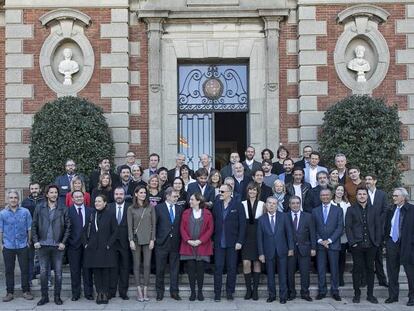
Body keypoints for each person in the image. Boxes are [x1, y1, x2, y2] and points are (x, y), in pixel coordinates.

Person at [32, 185, 71, 306]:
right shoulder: (39, 207)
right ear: (47, 194)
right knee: (43, 272)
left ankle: (57, 297)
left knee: (58, 273)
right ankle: (44, 297)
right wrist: (35, 241)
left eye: (56, 192)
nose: (54, 194)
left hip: (57, 246)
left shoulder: (63, 208)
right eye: (51, 192)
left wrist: (63, 243)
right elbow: (34, 226)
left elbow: (68, 227)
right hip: (42, 245)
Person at [345, 187, 382, 304]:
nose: (362, 196)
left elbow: (378, 227)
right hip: (357, 245)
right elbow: (348, 227)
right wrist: (353, 243)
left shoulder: (374, 209)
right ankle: (357, 294)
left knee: (370, 270)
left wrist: (376, 243)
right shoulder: (351, 209)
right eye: (359, 194)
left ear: (367, 196)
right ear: (356, 196)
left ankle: (370, 295)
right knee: (357, 270)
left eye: (364, 194)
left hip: (371, 245)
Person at [212, 183, 246, 301]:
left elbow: (243, 225)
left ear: (229, 193)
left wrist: (240, 241)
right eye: (219, 191)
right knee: (218, 268)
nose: (220, 194)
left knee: (232, 268)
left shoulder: (238, 205)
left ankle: (229, 292)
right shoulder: (216, 205)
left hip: (233, 243)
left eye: (222, 192)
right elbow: (213, 223)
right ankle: (217, 293)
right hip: (219, 242)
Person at [257, 196, 294, 304]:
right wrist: (261, 253)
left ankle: (283, 296)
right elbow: (259, 238)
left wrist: (291, 248)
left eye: (274, 203)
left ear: (277, 205)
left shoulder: (284, 217)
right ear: (266, 205)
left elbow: (289, 234)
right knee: (270, 275)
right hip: (268, 252)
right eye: (269, 203)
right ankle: (272, 295)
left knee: (283, 274)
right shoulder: (261, 219)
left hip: (282, 250)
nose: (271, 205)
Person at [83, 194, 118, 304]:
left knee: (106, 272)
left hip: (106, 248)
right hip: (93, 249)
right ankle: (99, 293)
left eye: (99, 201)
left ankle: (105, 294)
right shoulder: (91, 214)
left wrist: (109, 244)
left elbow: (115, 232)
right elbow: (84, 231)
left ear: (105, 203)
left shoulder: (110, 215)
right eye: (96, 201)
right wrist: (85, 244)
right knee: (97, 273)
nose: (97, 203)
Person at [0, 190, 33, 302]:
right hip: (8, 246)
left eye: (15, 197)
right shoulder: (2, 214)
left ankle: (26, 291)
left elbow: (29, 228)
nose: (13, 200)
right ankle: (9, 293)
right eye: (11, 198)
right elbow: (1, 230)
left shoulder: (25, 212)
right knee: (9, 270)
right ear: (7, 199)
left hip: (23, 245)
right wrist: (1, 244)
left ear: (18, 199)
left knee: (25, 269)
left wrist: (29, 241)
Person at [180, 193, 214, 301]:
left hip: (202, 246)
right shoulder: (185, 213)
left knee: (200, 270)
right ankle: (193, 292)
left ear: (198, 201)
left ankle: (200, 292)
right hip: (188, 245)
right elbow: (182, 228)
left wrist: (200, 240)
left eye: (192, 199)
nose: (190, 201)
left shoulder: (208, 213)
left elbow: (210, 229)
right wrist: (188, 240)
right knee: (191, 270)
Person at [312, 188, 343, 301]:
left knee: (334, 269)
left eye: (327, 195)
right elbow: (313, 228)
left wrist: (329, 240)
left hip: (333, 244)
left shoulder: (338, 210)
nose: (325, 197)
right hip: (320, 245)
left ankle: (335, 291)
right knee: (321, 269)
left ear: (331, 196)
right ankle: (322, 291)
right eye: (323, 195)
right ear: (320, 197)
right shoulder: (315, 211)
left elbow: (340, 227)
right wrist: (320, 240)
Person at [384, 187, 414, 306]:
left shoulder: (412, 210)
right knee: (392, 271)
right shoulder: (391, 209)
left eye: (396, 196)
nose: (394, 198)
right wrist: (386, 241)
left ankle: (412, 297)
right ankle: (393, 296)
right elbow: (387, 227)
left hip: (407, 245)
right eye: (393, 195)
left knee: (410, 273)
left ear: (404, 197)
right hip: (392, 243)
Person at [155, 187, 184, 301]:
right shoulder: (158, 208)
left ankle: (174, 291)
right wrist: (156, 239)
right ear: (167, 196)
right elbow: (155, 225)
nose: (176, 198)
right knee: (160, 269)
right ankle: (159, 292)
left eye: (177, 196)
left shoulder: (180, 208)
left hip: (175, 243)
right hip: (162, 243)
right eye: (174, 196)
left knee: (174, 269)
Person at [127, 185, 156, 302]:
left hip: (148, 239)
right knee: (137, 265)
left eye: (144, 192)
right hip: (136, 240)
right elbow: (129, 226)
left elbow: (154, 225)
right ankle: (138, 290)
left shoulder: (150, 207)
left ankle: (145, 289)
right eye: (141, 192)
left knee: (147, 265)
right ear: (136, 194)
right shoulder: (130, 209)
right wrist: (131, 240)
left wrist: (152, 239)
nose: (143, 194)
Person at [287, 196, 316, 301]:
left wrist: (313, 248)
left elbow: (312, 233)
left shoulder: (308, 216)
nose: (295, 205)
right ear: (289, 205)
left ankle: (305, 293)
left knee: (305, 273)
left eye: (297, 203)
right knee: (290, 273)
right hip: (290, 250)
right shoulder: (285, 217)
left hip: (305, 249)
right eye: (293, 203)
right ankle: (291, 293)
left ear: (300, 204)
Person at [67, 190, 93, 301]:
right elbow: (66, 228)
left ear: (84, 197)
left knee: (87, 270)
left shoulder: (90, 210)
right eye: (76, 197)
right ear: (72, 199)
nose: (78, 198)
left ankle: (89, 293)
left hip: (88, 246)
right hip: (73, 245)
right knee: (75, 270)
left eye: (80, 196)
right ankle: (75, 294)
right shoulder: (68, 211)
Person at [241, 182, 265, 300]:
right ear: (247, 191)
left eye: (254, 190)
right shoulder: (242, 204)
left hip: (258, 235)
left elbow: (264, 222)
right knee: (246, 263)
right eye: (250, 190)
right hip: (246, 236)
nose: (252, 192)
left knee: (256, 263)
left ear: (258, 192)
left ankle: (255, 290)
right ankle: (248, 289)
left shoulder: (262, 204)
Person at [365, 173, 389, 287]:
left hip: (378, 231)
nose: (367, 181)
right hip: (366, 231)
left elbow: (385, 210)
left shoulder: (382, 194)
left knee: (378, 257)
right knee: (366, 258)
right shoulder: (363, 194)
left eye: (370, 179)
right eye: (366, 179)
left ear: (375, 181)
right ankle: (363, 280)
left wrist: (378, 223)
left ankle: (382, 280)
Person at [108, 187, 131, 300]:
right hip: (111, 243)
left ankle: (123, 292)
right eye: (116, 194)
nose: (118, 196)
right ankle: (111, 291)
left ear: (124, 195)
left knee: (125, 268)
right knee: (112, 267)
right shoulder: (109, 206)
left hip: (125, 242)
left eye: (121, 194)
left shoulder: (130, 207)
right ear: (113, 195)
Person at [21, 182, 45, 282]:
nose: (34, 190)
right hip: (30, 232)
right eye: (32, 189)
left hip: (43, 231)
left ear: (39, 189)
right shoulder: (25, 202)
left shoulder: (44, 200)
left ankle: (42, 276)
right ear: (30, 190)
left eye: (36, 188)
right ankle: (31, 276)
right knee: (30, 255)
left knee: (43, 255)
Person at [331, 184, 351, 287]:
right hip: (332, 234)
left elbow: (349, 219)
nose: (339, 192)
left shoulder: (347, 204)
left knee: (342, 257)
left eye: (341, 190)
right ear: (334, 191)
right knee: (333, 256)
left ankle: (340, 277)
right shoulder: (330, 203)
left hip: (343, 234)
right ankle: (334, 277)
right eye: (338, 190)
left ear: (344, 192)